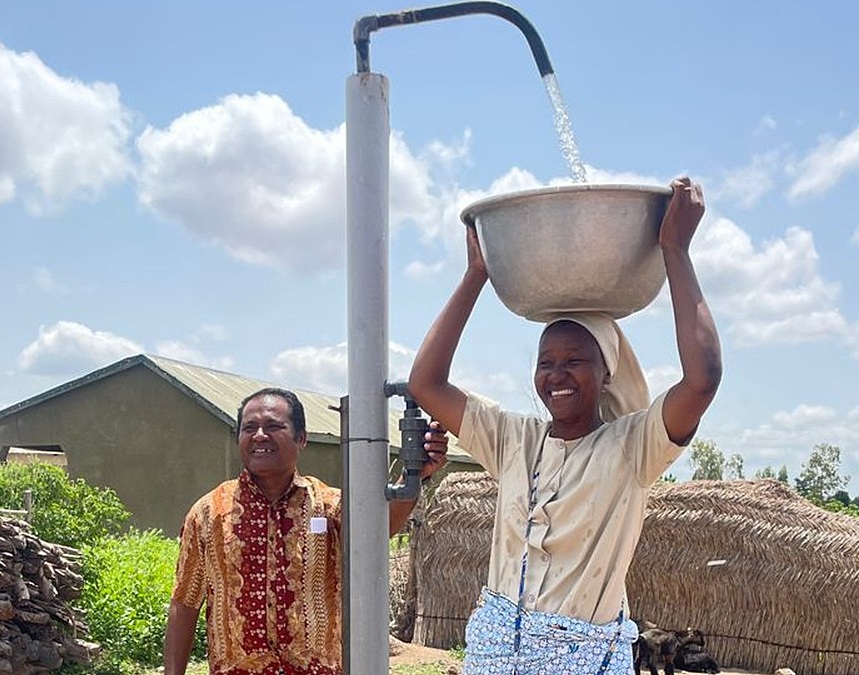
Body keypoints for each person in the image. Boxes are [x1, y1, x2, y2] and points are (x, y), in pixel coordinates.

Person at [407, 177, 722, 674]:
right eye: (545, 362)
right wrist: (475, 276)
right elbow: (425, 383)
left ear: (605, 372)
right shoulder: (514, 438)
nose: (556, 375)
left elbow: (701, 381)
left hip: (581, 659)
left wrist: (674, 249)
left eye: (574, 360)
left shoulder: (632, 446)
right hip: (494, 652)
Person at [162, 386, 449, 675]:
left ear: (301, 438)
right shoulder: (209, 512)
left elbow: (377, 530)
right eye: (249, 428)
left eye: (273, 426)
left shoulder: (329, 505)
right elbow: (185, 602)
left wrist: (414, 475)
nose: (260, 435)